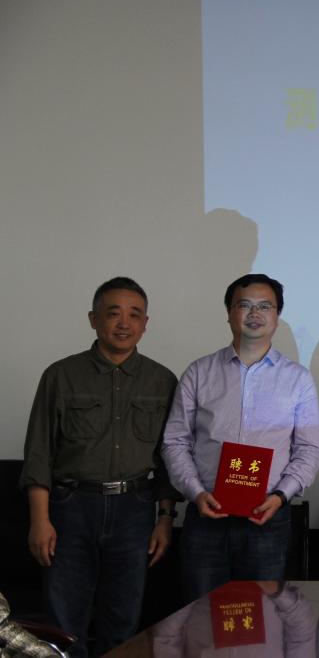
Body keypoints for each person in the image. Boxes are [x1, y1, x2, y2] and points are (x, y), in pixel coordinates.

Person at [20, 277, 178, 657]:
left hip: (134, 510)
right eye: (113, 314)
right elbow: (39, 452)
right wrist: (40, 520)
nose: (124, 323)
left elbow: (170, 457)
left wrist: (165, 519)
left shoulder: (163, 380)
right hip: (71, 508)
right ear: (93, 319)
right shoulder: (60, 375)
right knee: (64, 622)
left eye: (134, 315)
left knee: (123, 620)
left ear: (145, 324)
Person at [161, 273, 319, 602]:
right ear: (229, 312)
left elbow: (308, 450)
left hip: (268, 517)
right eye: (244, 305)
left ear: (278, 315)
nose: (254, 313)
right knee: (200, 611)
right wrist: (195, 492)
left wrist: (281, 495)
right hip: (206, 513)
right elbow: (175, 441)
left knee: (262, 614)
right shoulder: (199, 372)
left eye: (265, 306)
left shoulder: (298, 379)